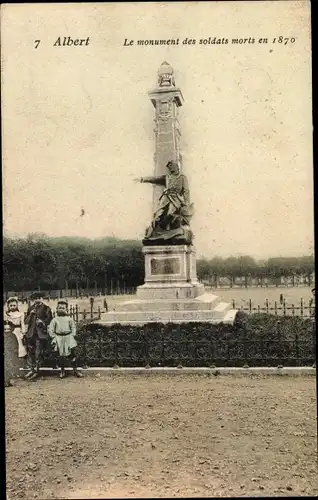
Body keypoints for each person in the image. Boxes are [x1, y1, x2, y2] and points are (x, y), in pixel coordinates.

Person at [48, 299, 83, 378]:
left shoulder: (69, 319)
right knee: (61, 356)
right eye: (59, 308)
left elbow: (73, 327)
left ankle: (75, 370)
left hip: (68, 337)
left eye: (63, 308)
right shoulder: (55, 320)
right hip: (59, 338)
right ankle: (62, 370)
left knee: (72, 355)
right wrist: (54, 337)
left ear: (66, 309)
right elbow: (51, 329)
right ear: (57, 309)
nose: (61, 309)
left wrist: (72, 335)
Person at [24, 292, 53, 380]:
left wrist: (42, 322)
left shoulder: (46, 308)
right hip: (31, 333)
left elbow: (50, 320)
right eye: (35, 298)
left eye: (39, 298)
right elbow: (26, 321)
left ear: (42, 298)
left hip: (40, 334)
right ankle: (32, 369)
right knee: (31, 352)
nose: (37, 300)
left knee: (38, 352)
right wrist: (30, 314)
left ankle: (37, 370)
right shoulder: (31, 308)